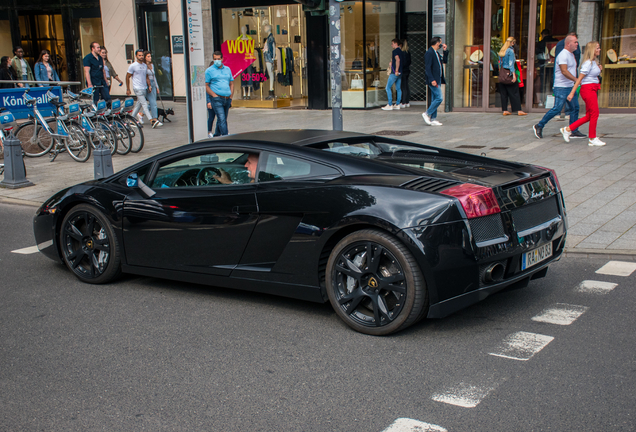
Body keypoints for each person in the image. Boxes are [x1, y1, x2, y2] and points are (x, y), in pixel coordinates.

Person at [533, 34, 580, 139]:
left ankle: (573, 130)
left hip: (570, 86)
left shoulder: (571, 55)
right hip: (561, 87)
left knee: (575, 108)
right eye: (575, 42)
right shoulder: (563, 55)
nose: (577, 44)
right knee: (557, 108)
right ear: (568, 43)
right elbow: (564, 71)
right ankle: (539, 126)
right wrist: (576, 80)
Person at [560, 41, 605, 147]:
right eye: (597, 48)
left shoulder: (593, 62)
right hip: (588, 89)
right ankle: (592, 138)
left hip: (592, 88)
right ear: (592, 50)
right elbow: (579, 80)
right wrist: (571, 93)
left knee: (590, 115)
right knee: (595, 113)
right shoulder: (587, 64)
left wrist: (599, 70)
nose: (599, 49)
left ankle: (567, 129)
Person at [126, 48, 162, 128]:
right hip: (137, 88)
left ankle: (131, 120)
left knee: (139, 105)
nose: (141, 57)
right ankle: (152, 121)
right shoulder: (133, 66)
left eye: (142, 55)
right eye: (139, 55)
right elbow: (127, 76)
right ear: (136, 56)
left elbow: (146, 76)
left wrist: (149, 85)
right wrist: (128, 88)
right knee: (145, 104)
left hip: (144, 87)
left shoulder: (144, 66)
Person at [205, 51, 234, 137]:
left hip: (227, 98)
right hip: (217, 99)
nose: (217, 61)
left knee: (223, 118)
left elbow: (231, 83)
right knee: (221, 118)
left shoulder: (227, 69)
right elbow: (206, 85)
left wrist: (231, 96)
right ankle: (226, 136)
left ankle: (217, 135)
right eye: (215, 59)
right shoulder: (209, 71)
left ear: (222, 59)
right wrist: (213, 96)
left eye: (218, 59)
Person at [422, 37, 448, 126]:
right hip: (433, 80)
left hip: (438, 79)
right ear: (437, 43)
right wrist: (432, 79)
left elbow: (445, 61)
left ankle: (433, 119)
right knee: (439, 98)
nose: (441, 44)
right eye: (440, 42)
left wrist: (445, 51)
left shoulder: (436, 53)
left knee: (434, 99)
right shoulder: (429, 53)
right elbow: (428, 68)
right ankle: (427, 113)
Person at [498, 37, 527, 116]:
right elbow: (511, 64)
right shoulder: (510, 51)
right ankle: (518, 110)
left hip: (503, 74)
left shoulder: (502, 51)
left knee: (504, 94)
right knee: (514, 92)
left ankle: (504, 110)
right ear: (512, 43)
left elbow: (500, 63)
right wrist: (514, 75)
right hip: (509, 74)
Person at [382, 38, 403, 111]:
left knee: (387, 87)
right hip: (400, 72)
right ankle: (397, 104)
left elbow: (398, 60)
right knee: (398, 88)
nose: (391, 45)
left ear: (396, 43)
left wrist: (396, 69)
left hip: (395, 72)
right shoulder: (401, 51)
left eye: (392, 43)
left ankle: (390, 104)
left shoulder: (395, 51)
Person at [143, 51, 159, 124]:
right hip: (147, 84)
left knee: (153, 102)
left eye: (150, 56)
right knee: (153, 103)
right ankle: (155, 119)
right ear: (145, 58)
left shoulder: (152, 65)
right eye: (148, 56)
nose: (150, 58)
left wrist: (157, 86)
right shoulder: (144, 66)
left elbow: (154, 76)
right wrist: (149, 85)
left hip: (153, 83)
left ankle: (142, 113)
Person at [399, 39, 411, 108]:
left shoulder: (402, 53)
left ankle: (403, 102)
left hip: (403, 71)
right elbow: (409, 62)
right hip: (407, 71)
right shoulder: (407, 52)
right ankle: (407, 101)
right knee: (406, 86)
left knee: (403, 86)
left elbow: (402, 63)